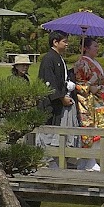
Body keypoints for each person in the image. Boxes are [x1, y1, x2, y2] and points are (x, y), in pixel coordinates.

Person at [73, 36, 104, 171]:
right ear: (86, 48)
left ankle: (91, 160)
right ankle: (88, 161)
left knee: (101, 129)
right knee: (90, 131)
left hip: (99, 100)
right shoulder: (81, 63)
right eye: (95, 46)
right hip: (87, 102)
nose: (97, 49)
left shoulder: (94, 63)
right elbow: (78, 84)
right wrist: (90, 85)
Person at [36, 31, 77, 166]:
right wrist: (60, 98)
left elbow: (61, 79)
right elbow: (49, 82)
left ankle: (54, 160)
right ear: (55, 42)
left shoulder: (58, 59)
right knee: (47, 132)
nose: (67, 44)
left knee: (56, 131)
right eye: (64, 41)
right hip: (49, 104)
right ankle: (44, 161)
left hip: (58, 104)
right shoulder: (49, 59)